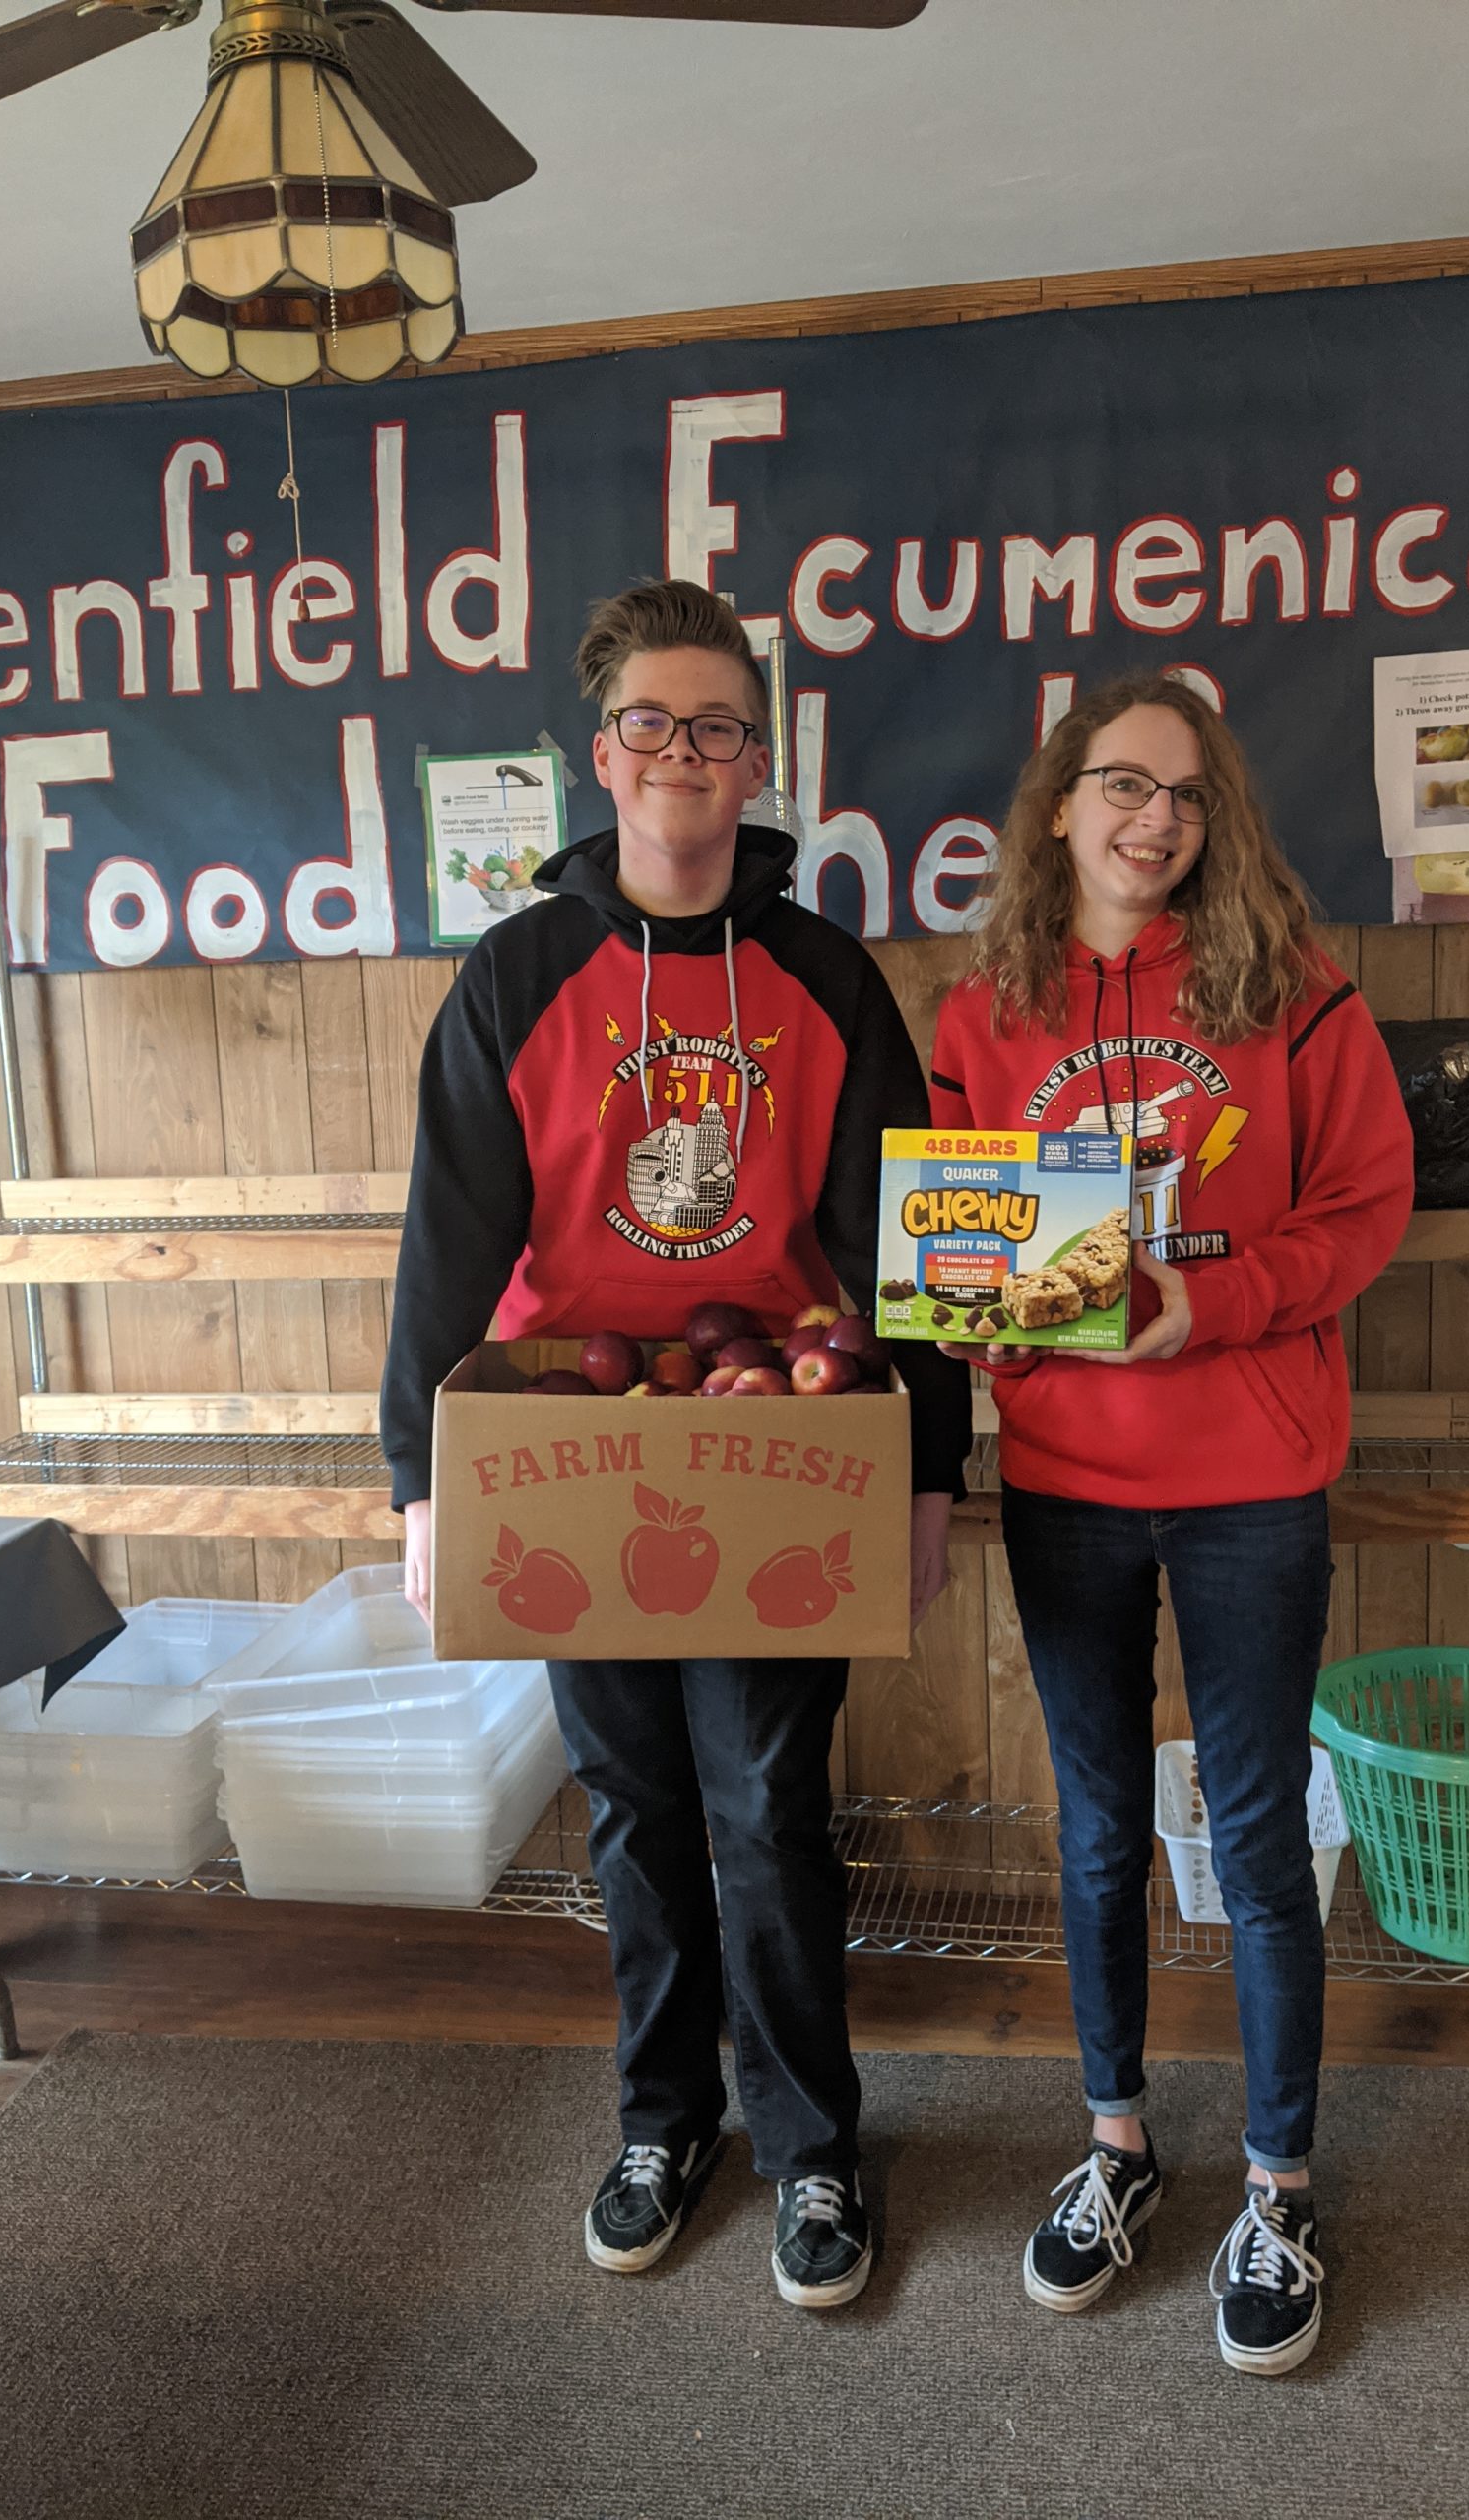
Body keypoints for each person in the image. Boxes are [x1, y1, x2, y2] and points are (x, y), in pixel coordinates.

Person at [382, 578, 972, 2310]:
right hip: (574, 1450)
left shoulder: (823, 976)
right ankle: (665, 2118)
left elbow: (897, 1243)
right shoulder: (521, 976)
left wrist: (930, 1461)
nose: (686, 755)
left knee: (768, 1803)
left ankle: (811, 2147)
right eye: (655, 722)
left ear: (753, 753)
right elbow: (448, 1238)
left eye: (718, 724)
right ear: (605, 749)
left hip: (785, 1446)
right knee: (636, 1810)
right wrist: (423, 1483)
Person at [929, 668, 1413, 2375]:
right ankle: (1119, 2144)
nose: (1156, 818)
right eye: (1123, 785)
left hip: (1251, 1483)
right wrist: (976, 1310)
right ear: (1060, 806)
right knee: (1091, 1835)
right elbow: (966, 1234)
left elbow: (1363, 1215)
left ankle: (1279, 2183)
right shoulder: (985, 1011)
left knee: (1262, 1845)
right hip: (1066, 1485)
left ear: (1219, 827)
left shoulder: (1297, 996)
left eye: (1188, 796)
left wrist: (1208, 1310)